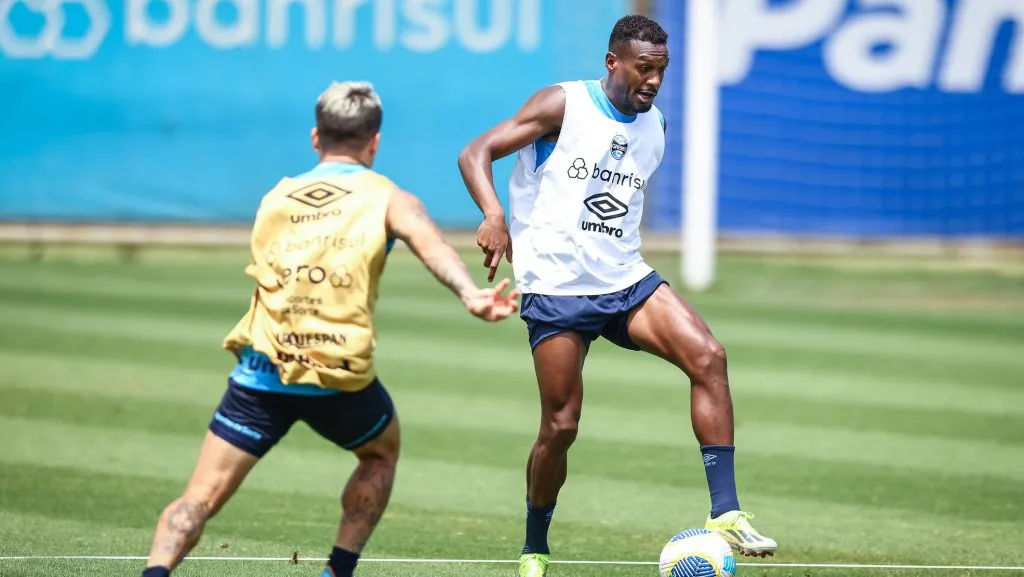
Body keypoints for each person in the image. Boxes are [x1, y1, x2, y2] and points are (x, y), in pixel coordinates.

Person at [141, 81, 520, 577]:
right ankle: (337, 572)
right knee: (381, 452)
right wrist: (471, 294)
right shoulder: (389, 198)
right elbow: (433, 247)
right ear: (375, 142)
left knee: (199, 496)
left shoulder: (276, 196)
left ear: (316, 138)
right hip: (339, 375)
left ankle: (155, 572)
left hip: (263, 369)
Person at [457, 14, 777, 576]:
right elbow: (476, 151)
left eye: (662, 70)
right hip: (556, 290)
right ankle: (535, 546)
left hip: (625, 282)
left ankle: (726, 512)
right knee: (561, 426)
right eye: (644, 68)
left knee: (709, 356)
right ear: (613, 63)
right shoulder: (563, 104)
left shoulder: (655, 127)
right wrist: (492, 214)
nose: (654, 80)